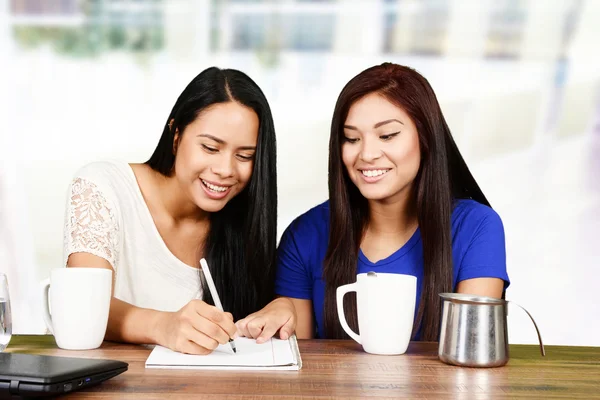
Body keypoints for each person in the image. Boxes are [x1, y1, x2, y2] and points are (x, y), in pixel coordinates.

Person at [237, 63, 509, 342]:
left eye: (387, 135)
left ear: (426, 137)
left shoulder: (477, 228)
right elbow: (301, 364)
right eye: (352, 138)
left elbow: (471, 352)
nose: (367, 154)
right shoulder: (305, 235)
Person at [63, 66, 278, 354]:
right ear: (176, 136)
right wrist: (162, 326)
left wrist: (281, 307)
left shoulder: (243, 222)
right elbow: (83, 303)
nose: (226, 170)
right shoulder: (102, 187)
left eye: (244, 156)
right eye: (211, 148)